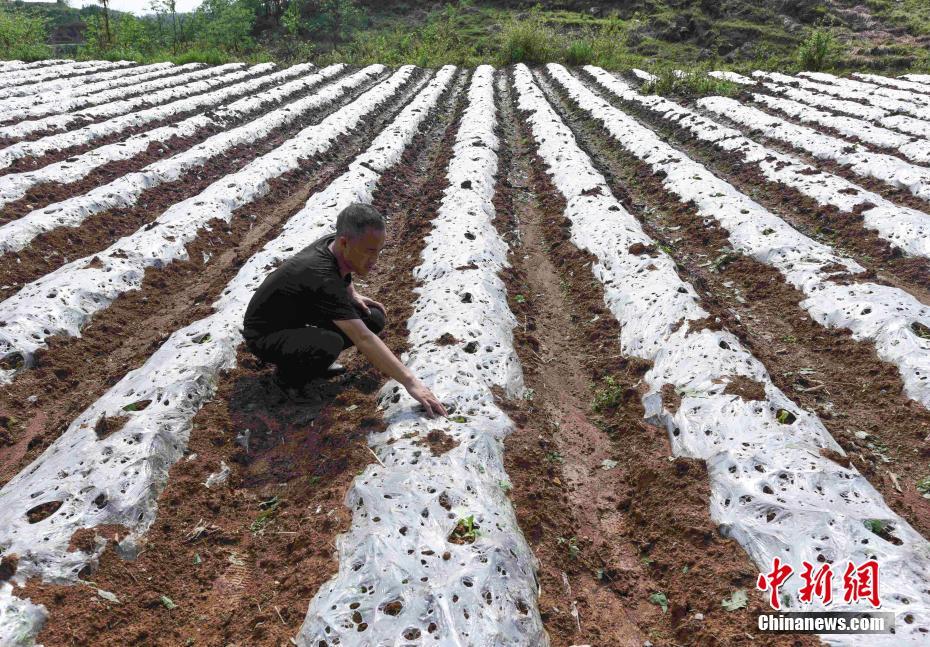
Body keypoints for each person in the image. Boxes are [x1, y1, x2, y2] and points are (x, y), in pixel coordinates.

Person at [241, 203, 447, 418]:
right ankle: (287, 380)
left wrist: (352, 294)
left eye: (378, 251)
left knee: (372, 317)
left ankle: (311, 364)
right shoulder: (320, 273)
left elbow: (342, 269)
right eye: (369, 252)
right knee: (329, 343)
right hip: (265, 335)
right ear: (344, 242)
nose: (375, 262)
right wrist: (411, 382)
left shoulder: (336, 244)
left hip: (297, 317)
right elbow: (363, 338)